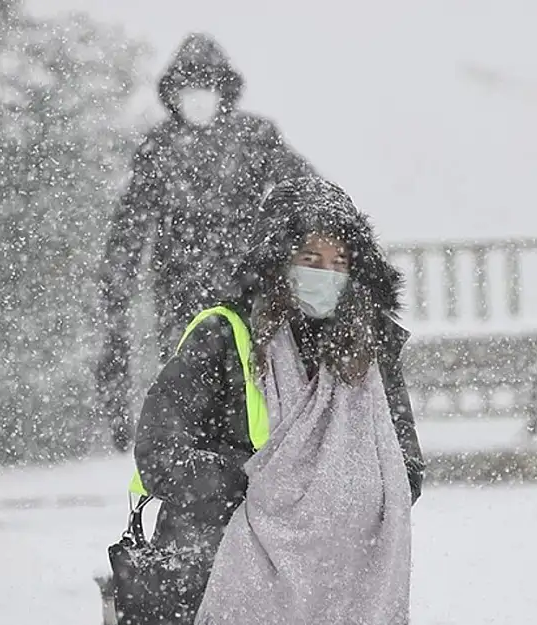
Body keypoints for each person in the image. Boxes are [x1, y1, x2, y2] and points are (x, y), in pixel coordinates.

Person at [130, 176, 423, 625]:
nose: (324, 274)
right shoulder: (224, 336)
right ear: (277, 262)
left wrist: (332, 500)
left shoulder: (368, 351)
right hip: (221, 559)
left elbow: (405, 470)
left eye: (338, 261)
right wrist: (255, 489)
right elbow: (160, 451)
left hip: (338, 577)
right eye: (310, 258)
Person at [98, 32, 315, 451]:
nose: (198, 97)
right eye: (188, 88)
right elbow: (129, 226)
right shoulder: (159, 149)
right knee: (191, 394)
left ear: (222, 90)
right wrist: (118, 278)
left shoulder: (253, 138)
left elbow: (303, 187)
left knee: (250, 390)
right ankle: (201, 475)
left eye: (206, 87)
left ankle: (254, 468)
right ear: (174, 95)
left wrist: (302, 243)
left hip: (247, 290)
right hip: (180, 297)